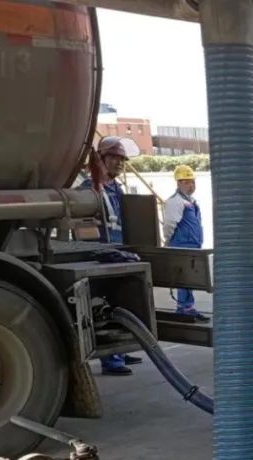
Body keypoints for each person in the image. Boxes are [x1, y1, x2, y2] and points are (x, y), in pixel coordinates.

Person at [81, 135, 142, 376]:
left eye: (122, 159)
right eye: (115, 158)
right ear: (101, 159)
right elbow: (84, 228)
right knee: (104, 307)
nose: (120, 163)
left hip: (119, 252)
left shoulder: (115, 188)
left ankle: (121, 351)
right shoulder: (89, 189)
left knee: (121, 302)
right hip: (102, 255)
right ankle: (111, 360)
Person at [162, 164, 209, 322]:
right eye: (187, 182)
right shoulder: (175, 202)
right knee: (183, 279)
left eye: (193, 182)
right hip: (181, 245)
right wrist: (168, 241)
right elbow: (169, 224)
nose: (191, 185)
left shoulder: (191, 202)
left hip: (192, 245)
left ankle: (188, 307)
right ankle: (183, 308)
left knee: (189, 279)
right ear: (179, 183)